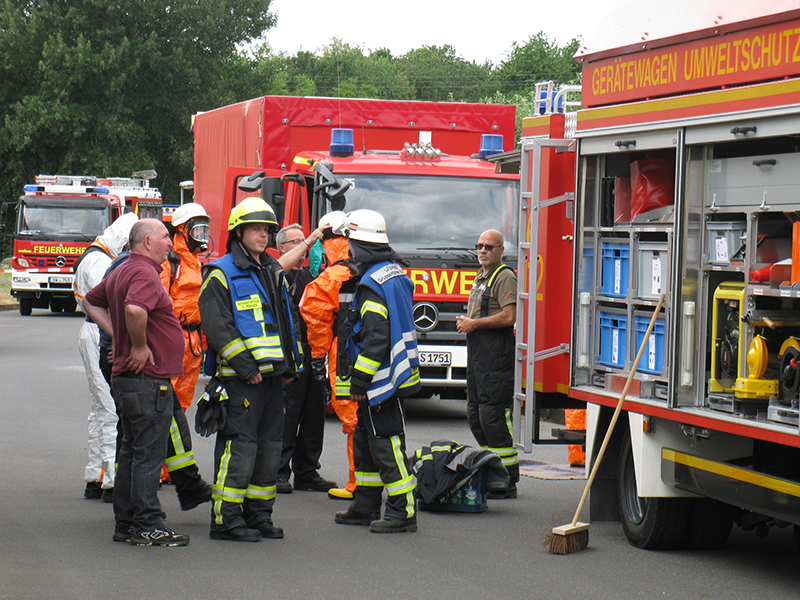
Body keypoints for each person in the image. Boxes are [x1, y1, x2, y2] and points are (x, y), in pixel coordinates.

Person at [198, 197, 303, 542]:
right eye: (256, 229)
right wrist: (245, 367)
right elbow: (217, 326)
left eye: (267, 230)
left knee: (270, 447)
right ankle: (226, 519)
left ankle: (258, 514)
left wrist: (290, 366)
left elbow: (287, 323)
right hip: (242, 379)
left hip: (273, 377)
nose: (263, 235)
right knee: (240, 447)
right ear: (238, 232)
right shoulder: (221, 272)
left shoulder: (271, 270)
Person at [83, 219, 190, 547]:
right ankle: (147, 523)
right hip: (147, 379)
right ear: (146, 242)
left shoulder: (121, 270)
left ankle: (126, 521)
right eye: (165, 237)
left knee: (130, 448)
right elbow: (133, 308)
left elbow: (89, 301)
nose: (170, 243)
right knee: (148, 451)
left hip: (127, 378)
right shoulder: (144, 272)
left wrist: (119, 335)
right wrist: (139, 345)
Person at [333, 209, 420, 533]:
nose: (349, 250)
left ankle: (402, 511)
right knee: (366, 438)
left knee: (385, 442)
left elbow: (376, 338)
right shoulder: (392, 272)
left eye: (350, 243)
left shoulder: (371, 283)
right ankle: (366, 504)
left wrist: (359, 380)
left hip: (381, 380)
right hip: (394, 374)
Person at [74, 212, 138, 502]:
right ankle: (113, 479)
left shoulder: (94, 255)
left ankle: (96, 475)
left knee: (100, 408)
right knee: (111, 408)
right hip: (102, 333)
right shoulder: (101, 261)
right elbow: (114, 301)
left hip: (93, 332)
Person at [455, 229, 519, 498]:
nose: (483, 250)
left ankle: (508, 479)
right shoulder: (481, 277)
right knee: (475, 416)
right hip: (478, 355)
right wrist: (467, 322)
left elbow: (509, 317)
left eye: (489, 247)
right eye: (479, 246)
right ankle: (493, 469)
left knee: (492, 418)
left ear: (501, 250)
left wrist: (474, 323)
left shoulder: (504, 276)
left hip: (496, 355)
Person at [299, 211, 359, 500]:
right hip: (379, 353)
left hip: (343, 352)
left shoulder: (331, 277)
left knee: (352, 418)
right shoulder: (379, 268)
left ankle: (357, 484)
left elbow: (315, 316)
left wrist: (318, 357)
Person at [275, 223, 337, 494]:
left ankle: (307, 471)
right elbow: (278, 268)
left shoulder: (311, 275)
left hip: (315, 349)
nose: (304, 247)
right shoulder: (277, 273)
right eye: (296, 242)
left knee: (314, 413)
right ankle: (278, 471)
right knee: (288, 413)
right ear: (282, 247)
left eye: (305, 241)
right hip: (292, 350)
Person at [160, 203, 211, 411]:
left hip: (193, 343)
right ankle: (165, 442)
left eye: (204, 231)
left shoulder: (196, 264)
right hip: (173, 340)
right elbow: (156, 306)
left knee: (182, 404)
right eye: (198, 230)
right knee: (166, 403)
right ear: (183, 230)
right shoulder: (169, 265)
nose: (202, 236)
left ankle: (172, 442)